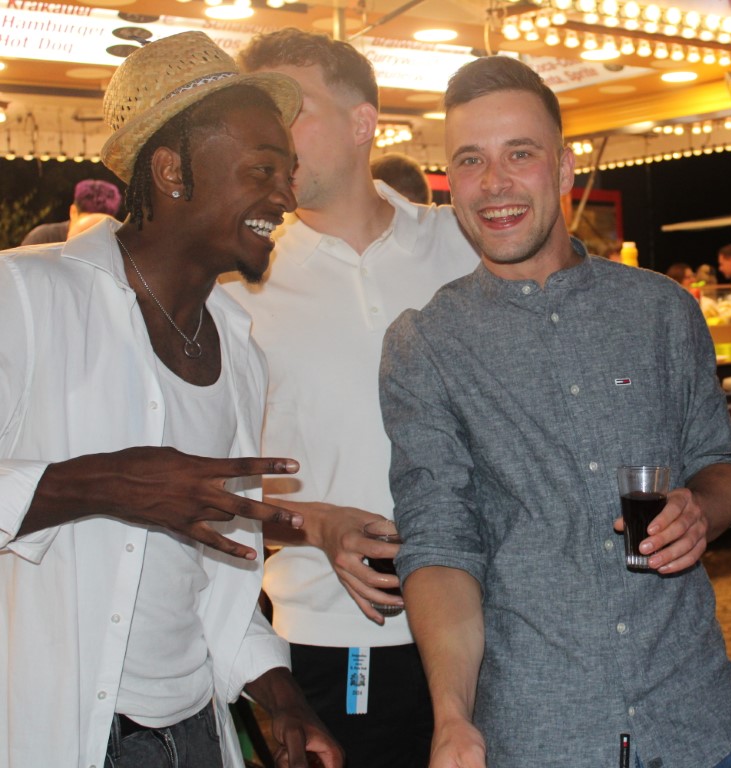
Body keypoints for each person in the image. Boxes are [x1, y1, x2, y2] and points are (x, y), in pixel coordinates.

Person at [379, 55, 731, 768]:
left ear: (562, 168)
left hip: (699, 723)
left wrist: (701, 511)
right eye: (471, 160)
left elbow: (724, 460)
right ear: (450, 182)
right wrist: (452, 717)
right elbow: (439, 544)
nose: (494, 182)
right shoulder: (426, 345)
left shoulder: (661, 311)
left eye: (519, 154)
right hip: (539, 732)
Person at [0, 31, 341, 767]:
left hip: (195, 734)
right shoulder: (24, 296)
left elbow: (221, 575)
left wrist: (282, 697)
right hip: (56, 732)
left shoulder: (242, 354)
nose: (286, 197)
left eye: (288, 173)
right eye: (262, 170)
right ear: (172, 172)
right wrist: (95, 484)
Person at [228, 28, 478, 768]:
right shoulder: (237, 284)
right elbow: (213, 480)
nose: (273, 136)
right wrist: (314, 522)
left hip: (494, 619)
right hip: (333, 631)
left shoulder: (463, 245)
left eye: (293, 110)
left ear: (363, 122)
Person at [20, 178, 122, 245]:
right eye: (85, 228)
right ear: (73, 212)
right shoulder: (42, 239)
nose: (91, 236)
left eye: (99, 228)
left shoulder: (118, 245)